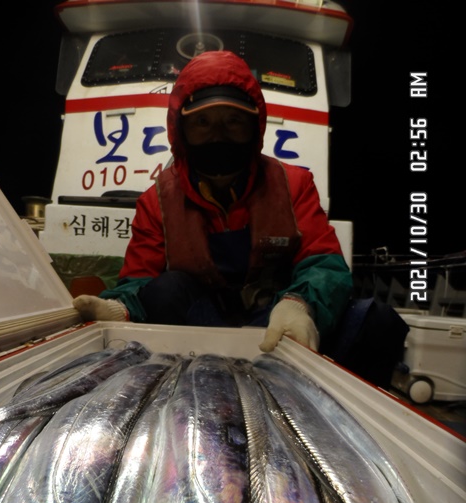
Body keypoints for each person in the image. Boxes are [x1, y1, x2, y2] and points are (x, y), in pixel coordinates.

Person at [73, 50, 353, 354]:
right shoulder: (157, 201)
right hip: (198, 328)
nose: (218, 135)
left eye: (233, 120)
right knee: (166, 289)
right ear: (181, 131)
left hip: (275, 324)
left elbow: (324, 263)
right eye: (202, 122)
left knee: (371, 318)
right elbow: (139, 280)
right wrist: (121, 309)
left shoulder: (293, 184)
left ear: (254, 126)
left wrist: (299, 305)